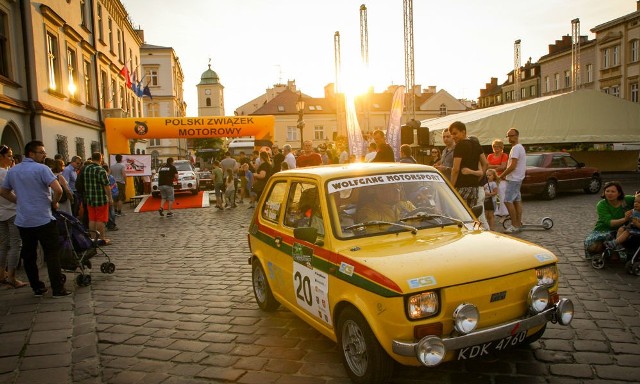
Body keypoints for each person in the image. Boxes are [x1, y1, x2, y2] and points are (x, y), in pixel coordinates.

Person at [0, 140, 71, 297]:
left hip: (24, 220)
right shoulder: (42, 169)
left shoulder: (13, 171)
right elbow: (58, 190)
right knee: (52, 254)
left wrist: (18, 201)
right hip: (43, 218)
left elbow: (4, 191)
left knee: (29, 254)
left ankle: (37, 287)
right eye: (41, 152)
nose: (44, 155)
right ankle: (58, 289)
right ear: (31, 153)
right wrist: (54, 203)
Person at [584, 181, 635, 259]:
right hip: (603, 230)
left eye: (613, 191)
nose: (609, 193)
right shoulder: (601, 204)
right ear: (604, 192)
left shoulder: (627, 200)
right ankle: (607, 249)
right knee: (593, 247)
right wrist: (625, 219)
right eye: (607, 191)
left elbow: (638, 198)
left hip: (621, 231)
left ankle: (613, 250)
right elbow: (610, 223)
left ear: (619, 193)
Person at [0, 145, 27, 289]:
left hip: (1, 213)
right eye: (9, 156)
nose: (12, 159)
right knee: (16, 244)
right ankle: (11, 276)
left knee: (4, 245)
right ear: (2, 157)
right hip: (12, 211)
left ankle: (1, 274)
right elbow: (16, 191)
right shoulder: (6, 173)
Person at [449, 121, 488, 209]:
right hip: (474, 187)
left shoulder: (460, 146)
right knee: (471, 215)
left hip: (461, 186)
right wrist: (477, 179)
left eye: (455, 133)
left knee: (459, 212)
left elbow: (455, 169)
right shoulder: (476, 144)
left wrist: (451, 187)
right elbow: (485, 163)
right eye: (452, 134)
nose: (453, 136)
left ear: (463, 132)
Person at [500, 128, 527, 233]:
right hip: (517, 178)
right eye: (508, 136)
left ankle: (514, 225)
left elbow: (512, 166)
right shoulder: (519, 148)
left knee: (507, 201)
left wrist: (501, 175)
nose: (509, 138)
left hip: (514, 179)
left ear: (517, 136)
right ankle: (518, 223)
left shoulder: (516, 148)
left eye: (511, 135)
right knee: (517, 201)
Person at [83, 152, 113, 244]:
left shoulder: (86, 169)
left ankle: (93, 238)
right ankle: (101, 239)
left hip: (90, 197)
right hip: (100, 198)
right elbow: (106, 186)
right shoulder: (101, 170)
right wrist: (110, 198)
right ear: (100, 158)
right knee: (101, 219)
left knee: (92, 219)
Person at [103, 165, 118, 231]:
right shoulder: (110, 176)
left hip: (109, 194)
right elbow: (113, 185)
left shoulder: (107, 176)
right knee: (111, 210)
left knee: (110, 210)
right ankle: (111, 224)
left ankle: (110, 224)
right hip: (112, 193)